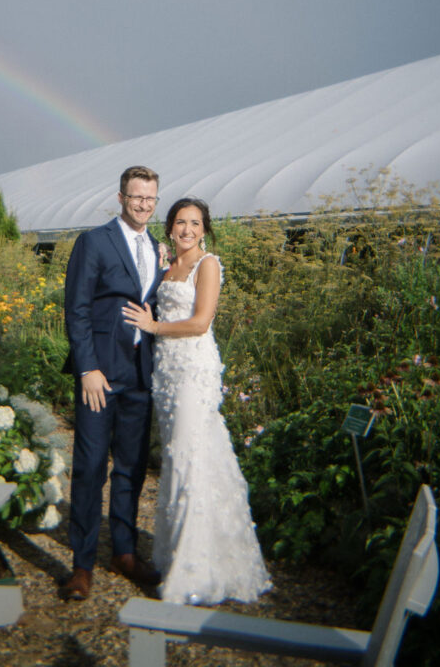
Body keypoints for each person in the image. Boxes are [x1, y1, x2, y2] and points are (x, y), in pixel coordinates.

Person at [122, 197, 272, 606]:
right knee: (179, 458)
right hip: (166, 375)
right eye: (180, 222)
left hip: (193, 372)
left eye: (195, 223)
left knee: (191, 456)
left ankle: (196, 571)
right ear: (169, 227)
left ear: (204, 229)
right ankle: (182, 559)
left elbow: (202, 321)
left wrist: (154, 325)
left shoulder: (208, 265)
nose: (187, 229)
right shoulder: (168, 264)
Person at [60, 166, 164, 601]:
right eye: (136, 197)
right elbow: (77, 307)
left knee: (131, 467)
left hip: (140, 374)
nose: (143, 205)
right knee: (88, 469)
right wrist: (87, 368)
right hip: (100, 375)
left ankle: (124, 551)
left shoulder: (158, 248)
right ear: (120, 197)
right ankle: (81, 565)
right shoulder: (95, 241)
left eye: (151, 199)